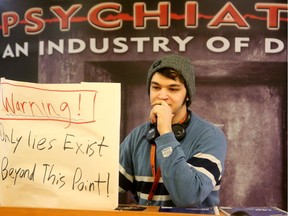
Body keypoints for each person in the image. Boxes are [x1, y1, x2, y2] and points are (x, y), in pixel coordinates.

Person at [119, 54, 227, 207]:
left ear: (188, 95)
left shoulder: (211, 136)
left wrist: (166, 135)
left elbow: (188, 197)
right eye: (156, 87)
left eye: (173, 89)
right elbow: (107, 186)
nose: (162, 96)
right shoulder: (137, 135)